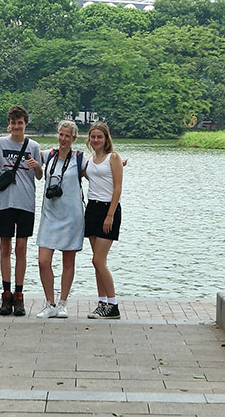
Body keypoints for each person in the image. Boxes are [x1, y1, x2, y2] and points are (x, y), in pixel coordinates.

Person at [0, 105, 42, 317]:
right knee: (5, 248)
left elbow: (39, 176)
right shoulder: (0, 143)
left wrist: (36, 166)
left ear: (25, 124)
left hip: (26, 203)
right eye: (13, 123)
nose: (16, 127)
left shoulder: (34, 146)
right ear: (8, 124)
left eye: (20, 123)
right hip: (5, 202)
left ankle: (19, 294)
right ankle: (6, 293)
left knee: (21, 248)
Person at [36, 120, 85, 319]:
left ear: (74, 138)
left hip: (72, 216)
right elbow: (28, 152)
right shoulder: (49, 155)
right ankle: (49, 303)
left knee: (68, 261)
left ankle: (63, 303)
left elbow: (101, 165)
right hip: (50, 215)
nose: (63, 139)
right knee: (43, 261)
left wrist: (117, 162)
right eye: (61, 135)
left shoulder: (80, 159)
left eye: (68, 136)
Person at [83, 122, 124, 319]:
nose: (96, 140)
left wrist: (110, 215)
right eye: (93, 137)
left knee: (98, 260)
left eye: (100, 137)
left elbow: (117, 188)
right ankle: (102, 303)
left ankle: (113, 305)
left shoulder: (113, 157)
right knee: (97, 262)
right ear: (89, 139)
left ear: (106, 138)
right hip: (92, 208)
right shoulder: (90, 159)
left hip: (108, 209)